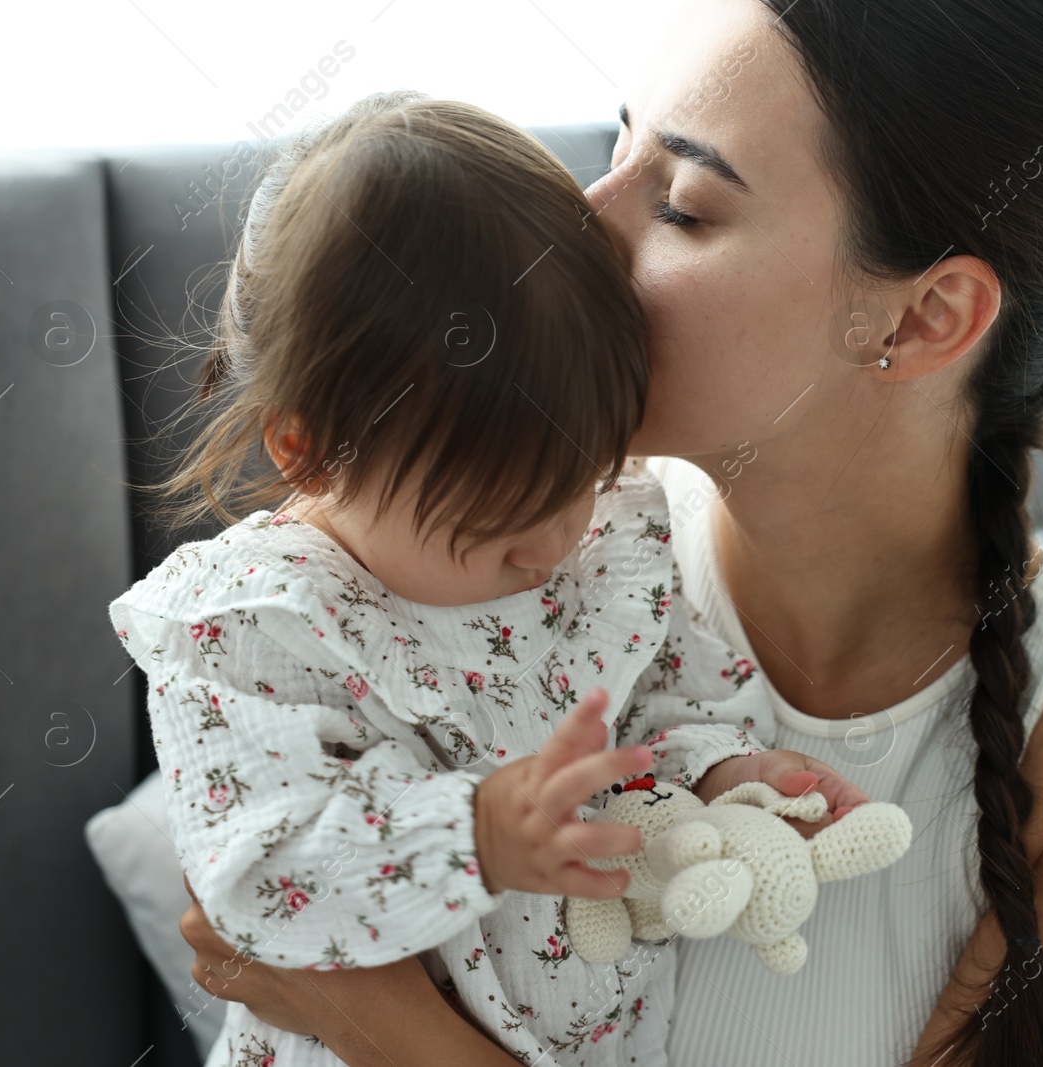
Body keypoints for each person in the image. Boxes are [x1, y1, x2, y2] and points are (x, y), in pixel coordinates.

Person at [173, 1, 1043, 1064]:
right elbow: (256, 873)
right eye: (616, 144)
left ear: (921, 316)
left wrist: (367, 1015)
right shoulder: (483, 549)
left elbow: (295, 962)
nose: (582, 219)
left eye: (684, 205)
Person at [111, 90, 870, 1066]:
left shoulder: (601, 542)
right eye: (495, 520)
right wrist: (471, 832)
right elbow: (257, 879)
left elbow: (668, 701)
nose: (552, 545)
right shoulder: (250, 626)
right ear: (311, 451)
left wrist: (725, 772)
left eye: (582, 480)